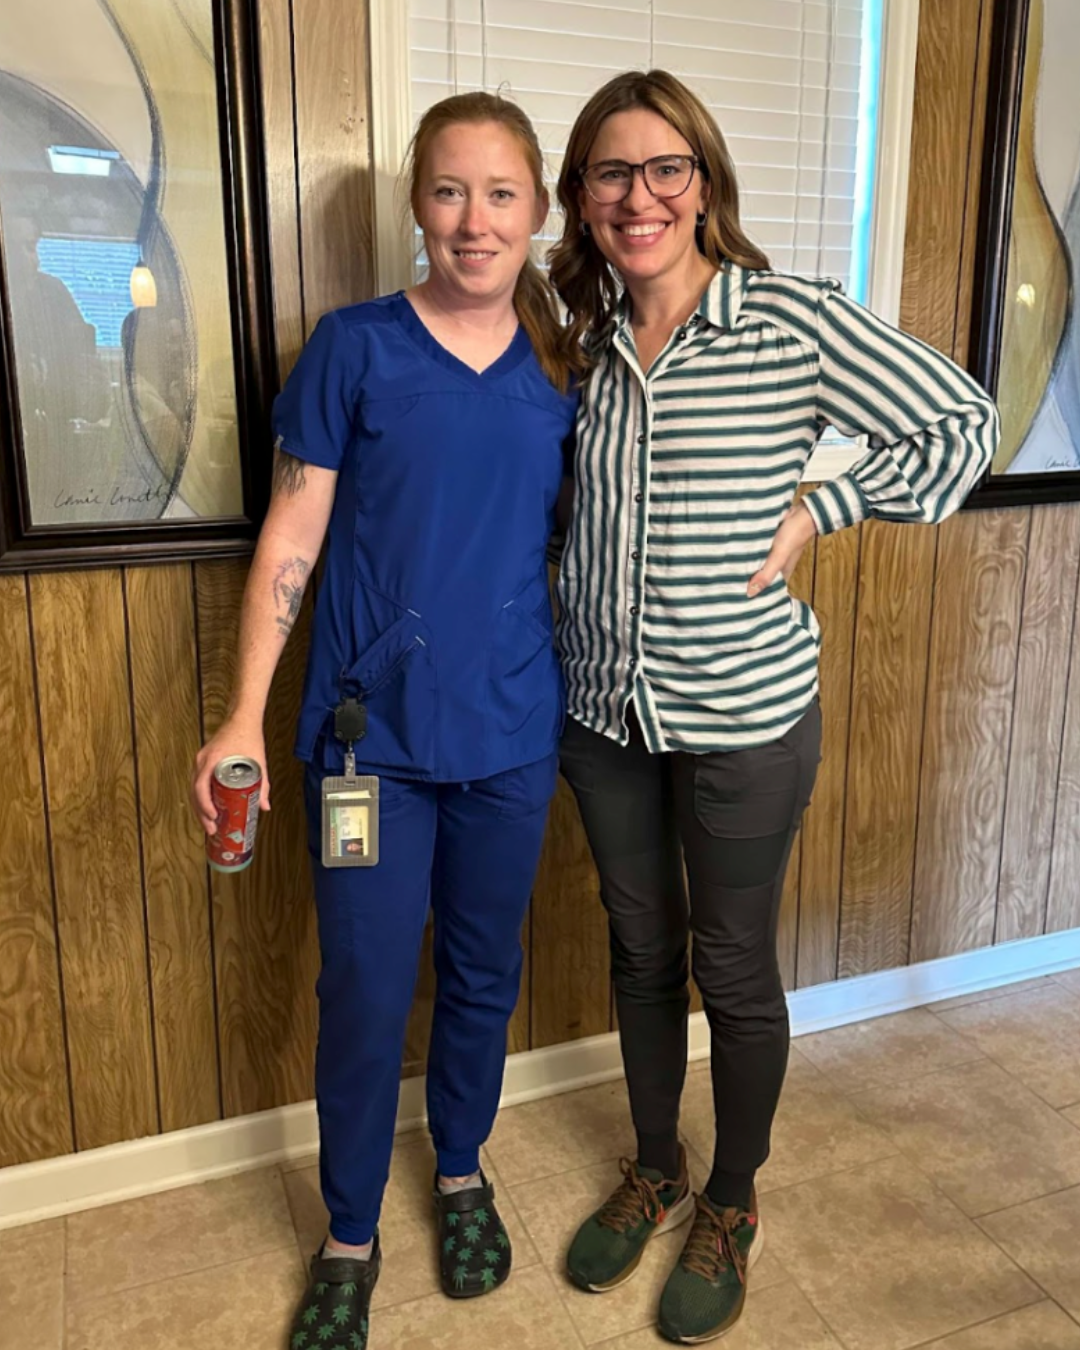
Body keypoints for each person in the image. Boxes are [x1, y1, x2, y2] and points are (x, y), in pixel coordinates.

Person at [547, 69, 998, 1345]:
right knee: (639, 952)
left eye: (663, 169)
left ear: (704, 183)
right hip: (603, 716)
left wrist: (822, 510)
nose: (638, 196)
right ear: (582, 200)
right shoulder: (580, 345)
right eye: (609, 174)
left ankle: (731, 1202)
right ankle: (655, 1166)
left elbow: (961, 426)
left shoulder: (788, 319)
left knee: (730, 965)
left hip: (745, 713)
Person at [191, 91, 577, 1350]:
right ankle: (349, 1232)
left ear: (538, 210)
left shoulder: (562, 366)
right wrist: (244, 714)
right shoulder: (353, 348)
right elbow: (293, 531)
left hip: (513, 737)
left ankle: (460, 1170)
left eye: (502, 194)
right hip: (370, 750)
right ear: (418, 204)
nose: (476, 222)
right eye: (451, 191)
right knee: (360, 992)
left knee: (482, 976)